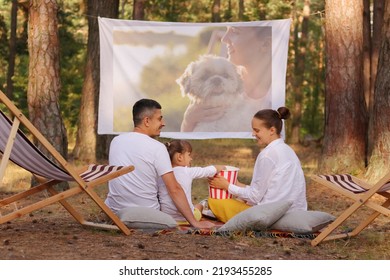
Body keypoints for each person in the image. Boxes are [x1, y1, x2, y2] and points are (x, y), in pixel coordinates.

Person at [105, 98, 215, 229]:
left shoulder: (116, 141)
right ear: (146, 121)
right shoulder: (157, 147)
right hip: (146, 214)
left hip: (112, 211)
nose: (163, 123)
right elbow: (174, 189)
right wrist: (195, 223)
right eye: (159, 119)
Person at [207, 107, 307, 222]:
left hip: (270, 216)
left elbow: (255, 197)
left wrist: (227, 186)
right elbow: (263, 191)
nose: (253, 134)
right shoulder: (288, 150)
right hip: (295, 213)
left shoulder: (267, 155)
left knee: (214, 201)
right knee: (240, 199)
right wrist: (236, 184)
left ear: (272, 130)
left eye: (257, 130)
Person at [180, 26, 272, 132]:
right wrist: (188, 121)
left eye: (235, 31)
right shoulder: (223, 65)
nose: (224, 39)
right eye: (226, 30)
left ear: (266, 44)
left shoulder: (277, 93)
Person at [158, 140, 225, 223]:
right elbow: (207, 171)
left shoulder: (162, 175)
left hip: (166, 219)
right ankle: (203, 204)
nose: (191, 158)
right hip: (188, 219)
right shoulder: (187, 171)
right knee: (198, 208)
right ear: (180, 157)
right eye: (189, 155)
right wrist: (219, 167)